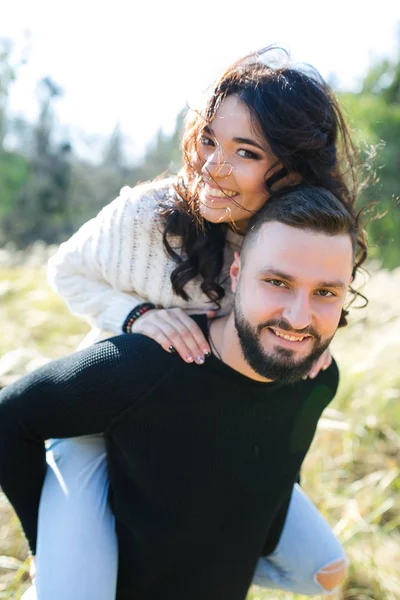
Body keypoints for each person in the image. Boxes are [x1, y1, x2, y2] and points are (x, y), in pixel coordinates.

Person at [36, 47, 365, 597]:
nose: (213, 165)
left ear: (292, 169)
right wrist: (136, 316)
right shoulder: (146, 215)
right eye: (209, 139)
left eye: (245, 152)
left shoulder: (298, 237)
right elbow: (64, 270)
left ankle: (138, 551)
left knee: (324, 572)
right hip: (102, 421)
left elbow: (314, 307)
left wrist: (304, 341)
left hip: (201, 431)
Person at [0, 186, 362, 600]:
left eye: (326, 292)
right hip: (115, 568)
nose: (299, 318)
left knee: (326, 572)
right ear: (237, 273)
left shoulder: (317, 378)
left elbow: (281, 470)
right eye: (277, 282)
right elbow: (10, 417)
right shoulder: (144, 367)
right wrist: (46, 545)